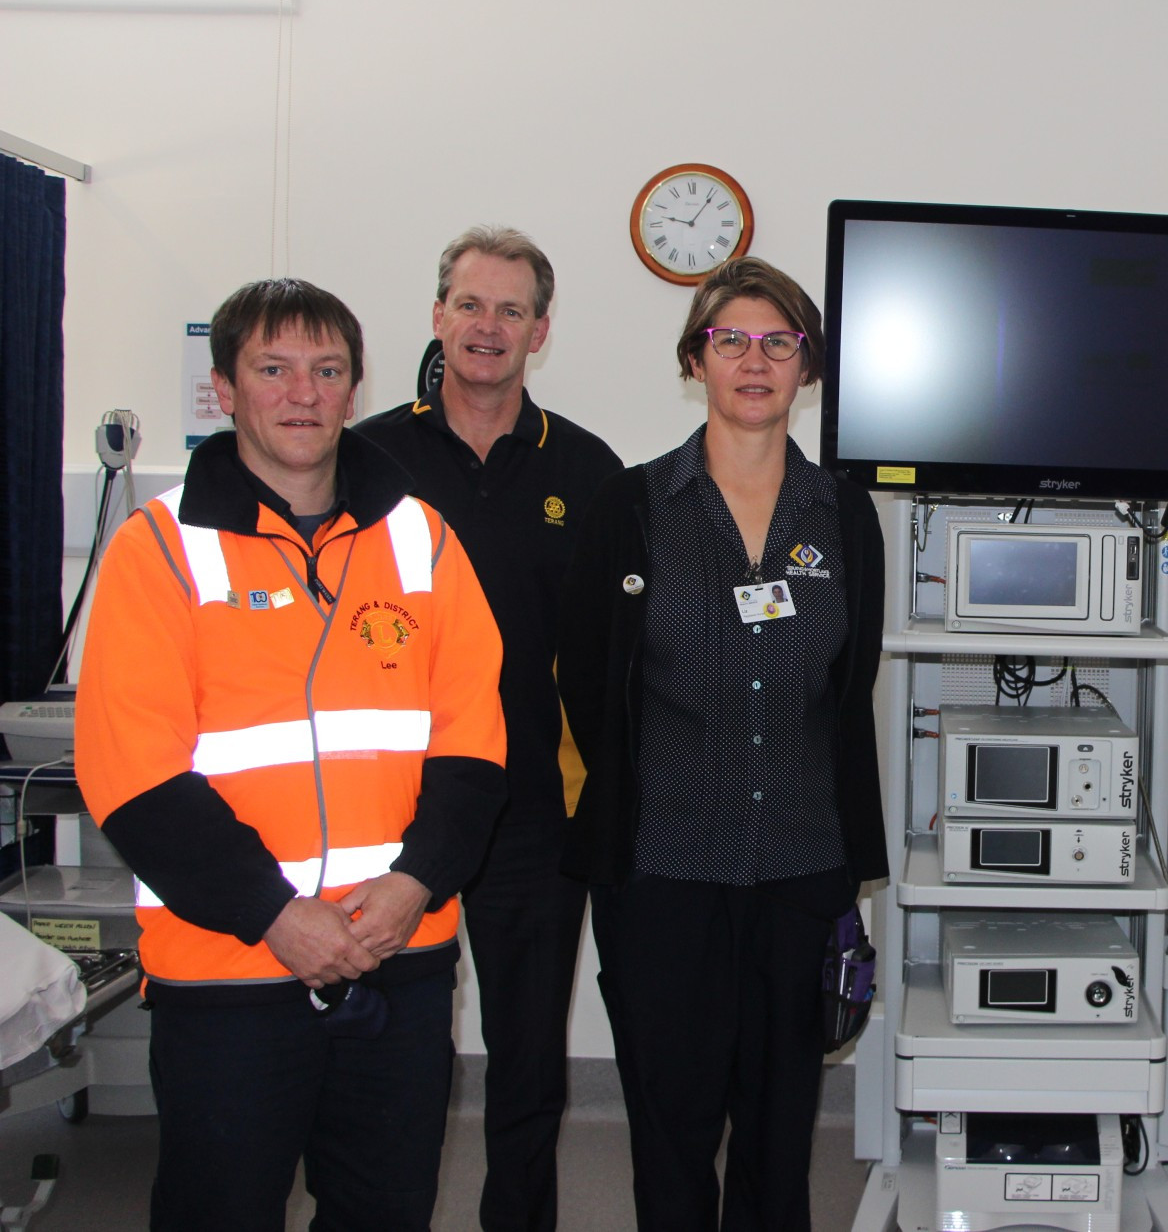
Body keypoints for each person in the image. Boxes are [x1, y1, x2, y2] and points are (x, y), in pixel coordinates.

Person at [73, 278, 508, 1231]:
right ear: (227, 388)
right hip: (227, 967)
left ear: (356, 388)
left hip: (400, 956)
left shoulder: (420, 539)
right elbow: (136, 778)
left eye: (327, 370)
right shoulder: (161, 551)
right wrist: (275, 914)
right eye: (273, 369)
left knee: (385, 1208)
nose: (302, 393)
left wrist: (413, 885)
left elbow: (474, 745)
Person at [558, 257, 887, 1231]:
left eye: (778, 342)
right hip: (661, 871)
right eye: (730, 339)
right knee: (669, 1129)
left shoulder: (844, 516)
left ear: (806, 366)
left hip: (799, 867)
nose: (755, 360)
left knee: (782, 1134)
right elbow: (586, 686)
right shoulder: (629, 508)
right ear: (693, 359)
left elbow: (847, 684)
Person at [354, 226, 622, 1232]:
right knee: (394, 1058)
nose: (488, 326)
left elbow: (607, 658)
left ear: (540, 331)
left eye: (511, 310)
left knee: (526, 1066)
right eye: (470, 304)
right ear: (436, 316)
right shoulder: (366, 457)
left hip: (532, 817)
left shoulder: (588, 470)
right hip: (394, 815)